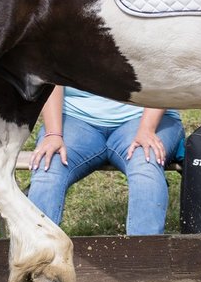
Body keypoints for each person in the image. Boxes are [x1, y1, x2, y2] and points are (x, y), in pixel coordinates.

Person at [27, 86, 184, 235]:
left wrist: (147, 129)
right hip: (75, 119)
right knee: (48, 165)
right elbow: (50, 75)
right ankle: (36, 257)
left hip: (144, 117)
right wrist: (53, 133)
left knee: (146, 163)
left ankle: (146, 257)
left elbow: (161, 73)